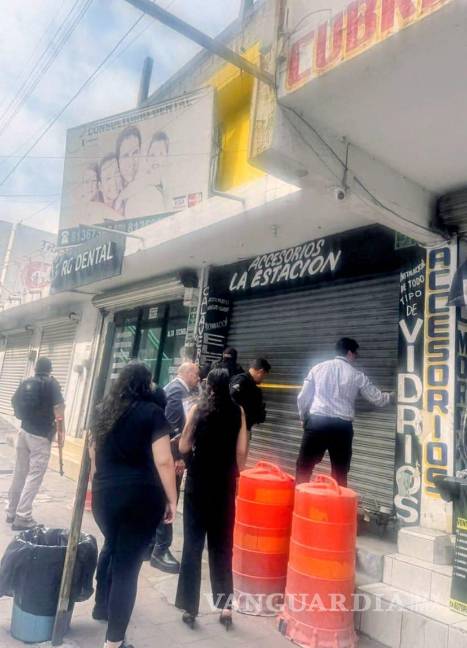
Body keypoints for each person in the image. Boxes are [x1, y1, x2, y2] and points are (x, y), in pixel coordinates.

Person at [90, 363, 177, 648]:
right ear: (145, 384)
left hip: (105, 497)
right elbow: (164, 461)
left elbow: (93, 455)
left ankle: (102, 607)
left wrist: (99, 488)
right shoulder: (152, 413)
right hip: (140, 499)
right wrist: (172, 499)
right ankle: (113, 642)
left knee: (113, 548)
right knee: (127, 569)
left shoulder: (102, 411)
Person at [175, 369, 248, 629]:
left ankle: (190, 608)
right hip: (224, 485)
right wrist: (234, 472)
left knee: (192, 546)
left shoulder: (198, 409)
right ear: (227, 385)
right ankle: (226, 608)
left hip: (198, 483)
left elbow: (184, 445)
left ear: (209, 386)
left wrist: (193, 454)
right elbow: (241, 451)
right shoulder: (238, 412)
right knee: (222, 546)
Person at [296, 337, 394, 487]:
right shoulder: (357, 375)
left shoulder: (317, 368)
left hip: (316, 424)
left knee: (304, 467)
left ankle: (300, 499)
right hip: (342, 428)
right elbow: (378, 399)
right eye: (355, 353)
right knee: (340, 472)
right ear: (349, 353)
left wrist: (303, 417)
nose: (356, 357)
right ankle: (338, 500)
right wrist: (393, 396)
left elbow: (303, 397)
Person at [150, 362, 200, 573]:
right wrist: (177, 457)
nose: (198, 378)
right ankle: (160, 550)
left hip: (169, 456)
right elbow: (170, 428)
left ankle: (151, 545)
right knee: (169, 499)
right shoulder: (178, 391)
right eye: (196, 374)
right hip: (171, 458)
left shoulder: (176, 388)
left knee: (162, 498)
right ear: (187, 373)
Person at [7, 357, 64, 530]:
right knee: (34, 476)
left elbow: (14, 401)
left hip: (24, 432)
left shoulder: (26, 382)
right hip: (40, 436)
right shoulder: (52, 384)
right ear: (50, 369)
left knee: (19, 473)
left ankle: (11, 512)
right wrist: (61, 433)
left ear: (36, 369)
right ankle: (23, 516)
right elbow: (59, 411)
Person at [230, 358, 271, 434]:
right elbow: (232, 398)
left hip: (243, 427)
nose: (263, 379)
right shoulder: (242, 380)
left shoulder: (250, 384)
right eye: (263, 376)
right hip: (237, 428)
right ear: (261, 371)